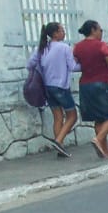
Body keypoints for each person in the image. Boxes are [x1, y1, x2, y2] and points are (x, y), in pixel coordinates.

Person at [71, 19, 108, 159]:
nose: (101, 33)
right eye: (100, 30)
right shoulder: (102, 46)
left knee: (98, 118)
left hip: (85, 85)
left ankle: (104, 148)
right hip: (101, 84)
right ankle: (98, 139)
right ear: (93, 30)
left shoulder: (77, 47)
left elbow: (75, 65)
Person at [27, 21, 81, 158]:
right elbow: (73, 67)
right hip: (61, 86)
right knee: (72, 116)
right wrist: (85, 65)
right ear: (55, 34)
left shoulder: (43, 48)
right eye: (62, 30)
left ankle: (60, 148)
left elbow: (30, 63)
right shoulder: (64, 47)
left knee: (58, 116)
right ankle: (58, 140)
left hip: (47, 87)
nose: (64, 32)